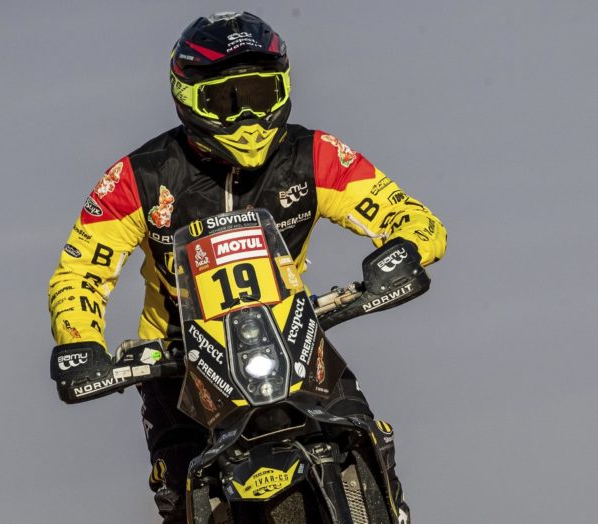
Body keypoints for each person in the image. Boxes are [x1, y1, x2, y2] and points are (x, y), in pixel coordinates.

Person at [49, 11, 446, 523]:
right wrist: (79, 339)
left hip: (292, 339)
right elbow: (80, 272)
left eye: (260, 96)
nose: (248, 118)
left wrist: (405, 250)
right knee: (178, 490)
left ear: (284, 89)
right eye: (227, 101)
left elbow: (414, 217)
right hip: (178, 360)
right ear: (188, 98)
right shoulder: (136, 178)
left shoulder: (315, 154)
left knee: (364, 437)